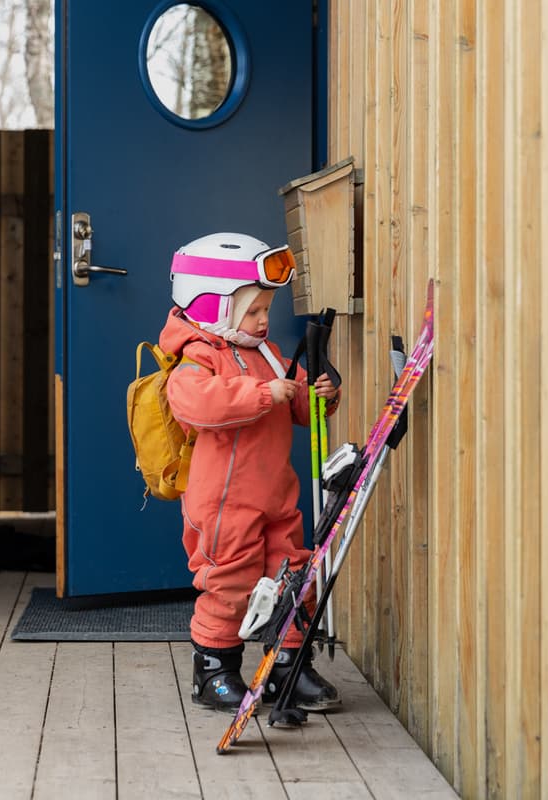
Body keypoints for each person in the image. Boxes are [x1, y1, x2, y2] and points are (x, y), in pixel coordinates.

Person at [158, 232, 342, 713]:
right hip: (224, 504)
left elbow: (302, 409)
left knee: (292, 574)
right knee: (230, 584)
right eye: (254, 310)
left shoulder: (266, 354)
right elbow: (197, 405)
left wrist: (317, 395)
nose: (264, 320)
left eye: (266, 309)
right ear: (213, 306)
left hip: (276, 496)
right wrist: (264, 395)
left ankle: (288, 666)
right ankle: (214, 669)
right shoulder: (199, 357)